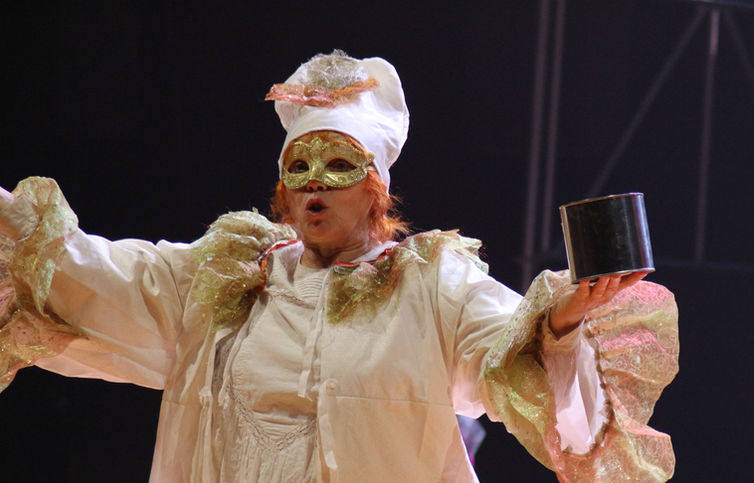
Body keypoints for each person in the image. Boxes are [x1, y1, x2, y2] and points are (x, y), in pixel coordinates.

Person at [0, 51, 679, 482]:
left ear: (376, 187)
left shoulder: (431, 285)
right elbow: (91, 273)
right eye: (299, 166)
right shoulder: (227, 280)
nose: (315, 182)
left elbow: (508, 359)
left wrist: (558, 325)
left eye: (339, 164)